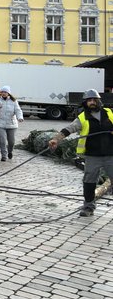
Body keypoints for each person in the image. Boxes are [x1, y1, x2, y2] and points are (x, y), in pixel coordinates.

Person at [49, 89, 113, 217]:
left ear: (99, 101)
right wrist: (56, 139)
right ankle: (88, 207)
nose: (92, 102)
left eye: (94, 99)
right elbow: (69, 129)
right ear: (85, 103)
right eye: (89, 100)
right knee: (89, 182)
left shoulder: (110, 113)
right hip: (92, 155)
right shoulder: (83, 117)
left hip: (111, 154)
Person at [0, 85, 23, 161]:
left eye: (5, 92)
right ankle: (3, 155)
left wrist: (20, 117)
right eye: (2, 92)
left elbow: (18, 110)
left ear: (8, 93)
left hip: (11, 124)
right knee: (2, 140)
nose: (4, 93)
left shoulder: (14, 101)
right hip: (0, 123)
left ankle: (10, 151)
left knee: (11, 142)